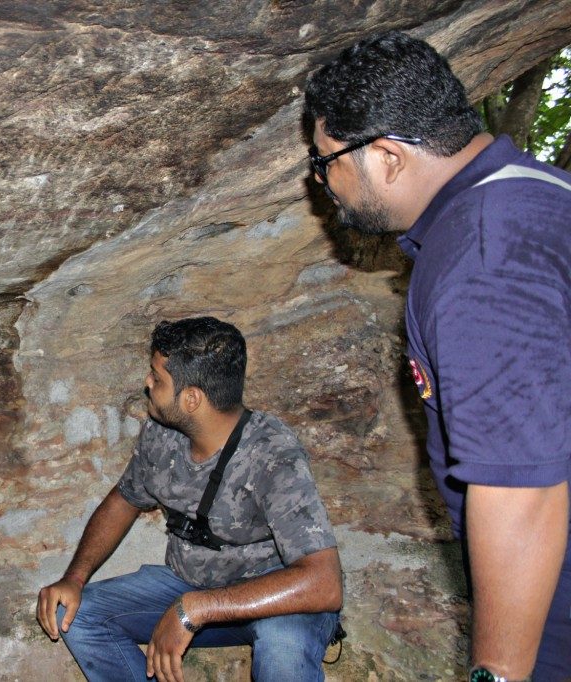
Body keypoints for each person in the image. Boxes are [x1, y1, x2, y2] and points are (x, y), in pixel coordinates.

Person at [304, 31, 571, 682]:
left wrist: (499, 673)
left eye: (325, 161)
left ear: (387, 157)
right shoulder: (537, 193)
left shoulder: (480, 258)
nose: (321, 181)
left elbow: (521, 489)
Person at [36, 316, 343, 682]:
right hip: (190, 586)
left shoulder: (272, 454)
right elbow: (125, 500)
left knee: (284, 651)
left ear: (191, 398)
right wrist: (74, 578)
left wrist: (196, 609)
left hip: (274, 598)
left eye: (157, 378)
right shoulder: (162, 432)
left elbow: (324, 583)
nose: (147, 383)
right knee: (72, 614)